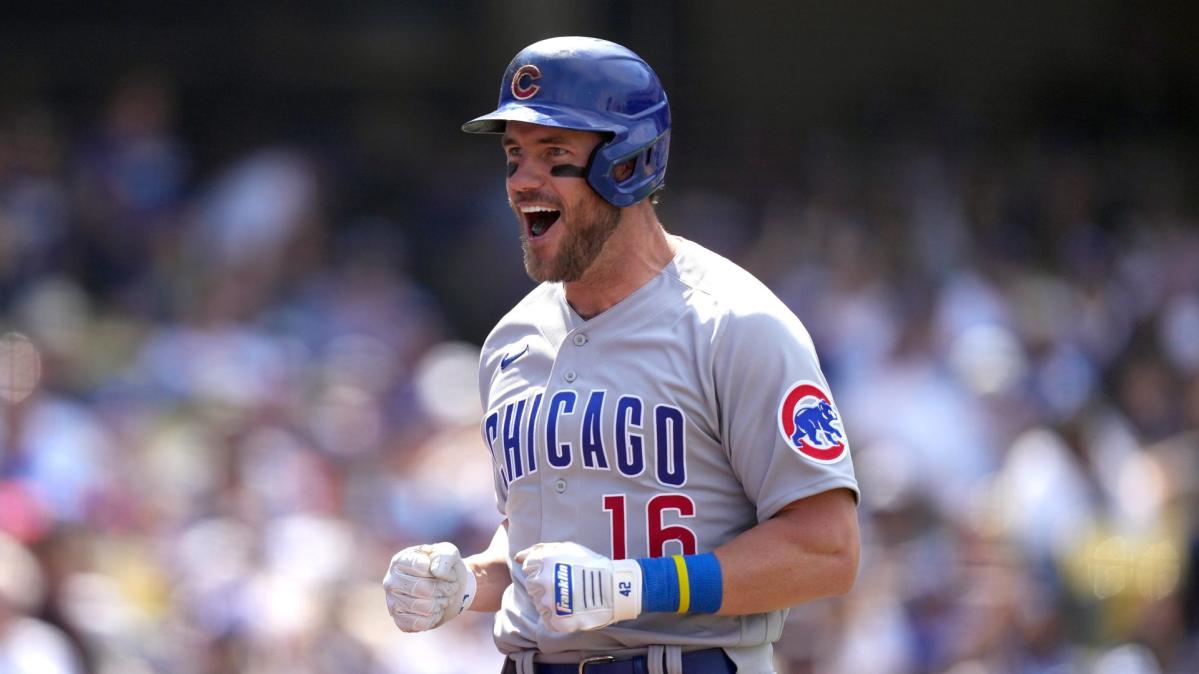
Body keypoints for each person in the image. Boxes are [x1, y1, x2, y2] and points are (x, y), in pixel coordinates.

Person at [383, 36, 860, 674]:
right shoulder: (510, 340)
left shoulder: (735, 324)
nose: (524, 180)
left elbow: (827, 550)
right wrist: (470, 581)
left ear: (628, 163)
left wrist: (636, 585)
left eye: (554, 155)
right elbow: (550, 554)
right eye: (513, 156)